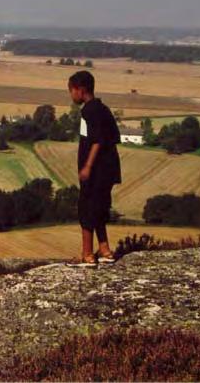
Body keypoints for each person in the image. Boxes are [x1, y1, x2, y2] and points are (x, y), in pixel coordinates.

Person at [68, 70, 122, 267]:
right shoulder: (103, 109)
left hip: (96, 170)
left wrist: (87, 167)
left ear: (81, 90)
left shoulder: (89, 111)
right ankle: (105, 250)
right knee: (99, 207)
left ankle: (87, 255)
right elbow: (114, 137)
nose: (71, 95)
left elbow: (97, 141)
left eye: (71, 90)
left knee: (86, 209)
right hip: (108, 169)